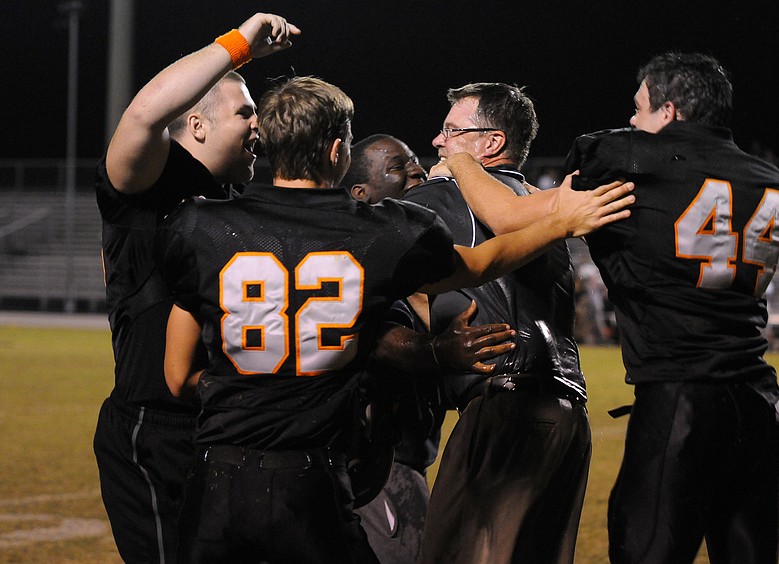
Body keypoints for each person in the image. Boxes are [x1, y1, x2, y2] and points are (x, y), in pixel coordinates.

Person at [157, 76, 631, 563]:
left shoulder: (201, 225)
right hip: (313, 473)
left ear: (266, 142)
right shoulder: (380, 231)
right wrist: (560, 223)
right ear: (338, 150)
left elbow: (177, 376)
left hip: (218, 473)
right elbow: (481, 263)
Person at [444, 53, 779, 563]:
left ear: (669, 111)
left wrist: (459, 161)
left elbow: (506, 216)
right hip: (763, 405)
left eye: (640, 108)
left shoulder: (626, 155)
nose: (632, 120)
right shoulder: (771, 178)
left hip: (682, 400)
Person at [91, 13, 298, 563]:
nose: (260, 126)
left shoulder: (239, 200)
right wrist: (236, 49)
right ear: (199, 126)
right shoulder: (151, 182)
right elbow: (143, 113)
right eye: (245, 111)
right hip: (158, 429)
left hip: (229, 423)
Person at [405, 82, 631, 564]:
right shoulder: (544, 200)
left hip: (506, 409)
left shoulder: (446, 196)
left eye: (451, 130)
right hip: (569, 411)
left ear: (491, 142)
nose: (437, 143)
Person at [342, 133, 518, 563]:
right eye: (398, 168)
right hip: (376, 465)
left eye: (416, 163)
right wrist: (437, 352)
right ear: (360, 194)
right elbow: (377, 336)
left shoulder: (417, 255)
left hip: (405, 458)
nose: (418, 172)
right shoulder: (357, 252)